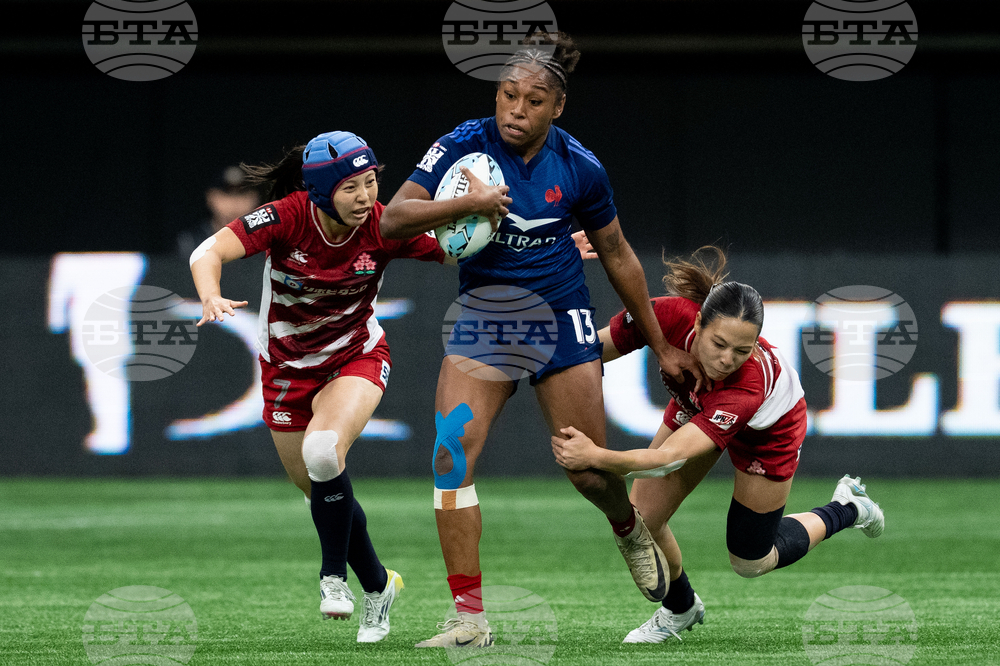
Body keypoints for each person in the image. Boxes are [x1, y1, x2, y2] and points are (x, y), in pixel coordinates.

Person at [379, 32, 707, 648]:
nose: (516, 110)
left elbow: (617, 253)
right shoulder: (462, 145)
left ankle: (625, 524)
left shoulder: (580, 166)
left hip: (559, 318)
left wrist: (662, 346)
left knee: (588, 471)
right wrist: (470, 203)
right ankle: (469, 620)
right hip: (485, 317)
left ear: (557, 107)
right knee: (450, 456)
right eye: (508, 95)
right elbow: (392, 219)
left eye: (533, 101)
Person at [551, 246, 886, 644]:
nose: (727, 360)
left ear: (756, 345)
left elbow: (665, 460)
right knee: (643, 519)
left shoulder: (745, 386)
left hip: (769, 431)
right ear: (698, 322)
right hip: (701, 405)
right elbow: (585, 354)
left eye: (742, 351)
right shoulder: (667, 317)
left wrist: (595, 456)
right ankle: (681, 608)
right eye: (719, 344)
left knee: (751, 561)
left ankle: (847, 508)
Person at [188, 130, 448, 643]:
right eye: (351, 187)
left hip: (356, 357)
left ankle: (333, 578)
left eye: (371, 181)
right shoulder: (286, 217)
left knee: (324, 453)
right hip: (286, 372)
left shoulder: (384, 225)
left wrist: (548, 247)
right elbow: (206, 252)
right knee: (322, 491)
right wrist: (211, 295)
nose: (366, 196)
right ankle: (379, 585)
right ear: (321, 190)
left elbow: (462, 252)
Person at [176, 164, 261, 260]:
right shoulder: (191, 242)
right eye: (226, 195)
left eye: (242, 195)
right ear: (210, 197)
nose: (234, 203)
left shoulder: (267, 243)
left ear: (255, 198)